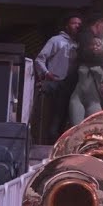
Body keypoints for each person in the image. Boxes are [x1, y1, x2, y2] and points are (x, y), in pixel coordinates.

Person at [35, 13, 81, 142]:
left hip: (72, 85)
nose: (77, 26)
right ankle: (49, 145)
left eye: (79, 24)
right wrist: (46, 73)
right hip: (57, 83)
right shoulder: (56, 40)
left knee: (66, 118)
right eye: (74, 23)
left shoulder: (80, 43)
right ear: (66, 25)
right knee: (55, 116)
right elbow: (39, 59)